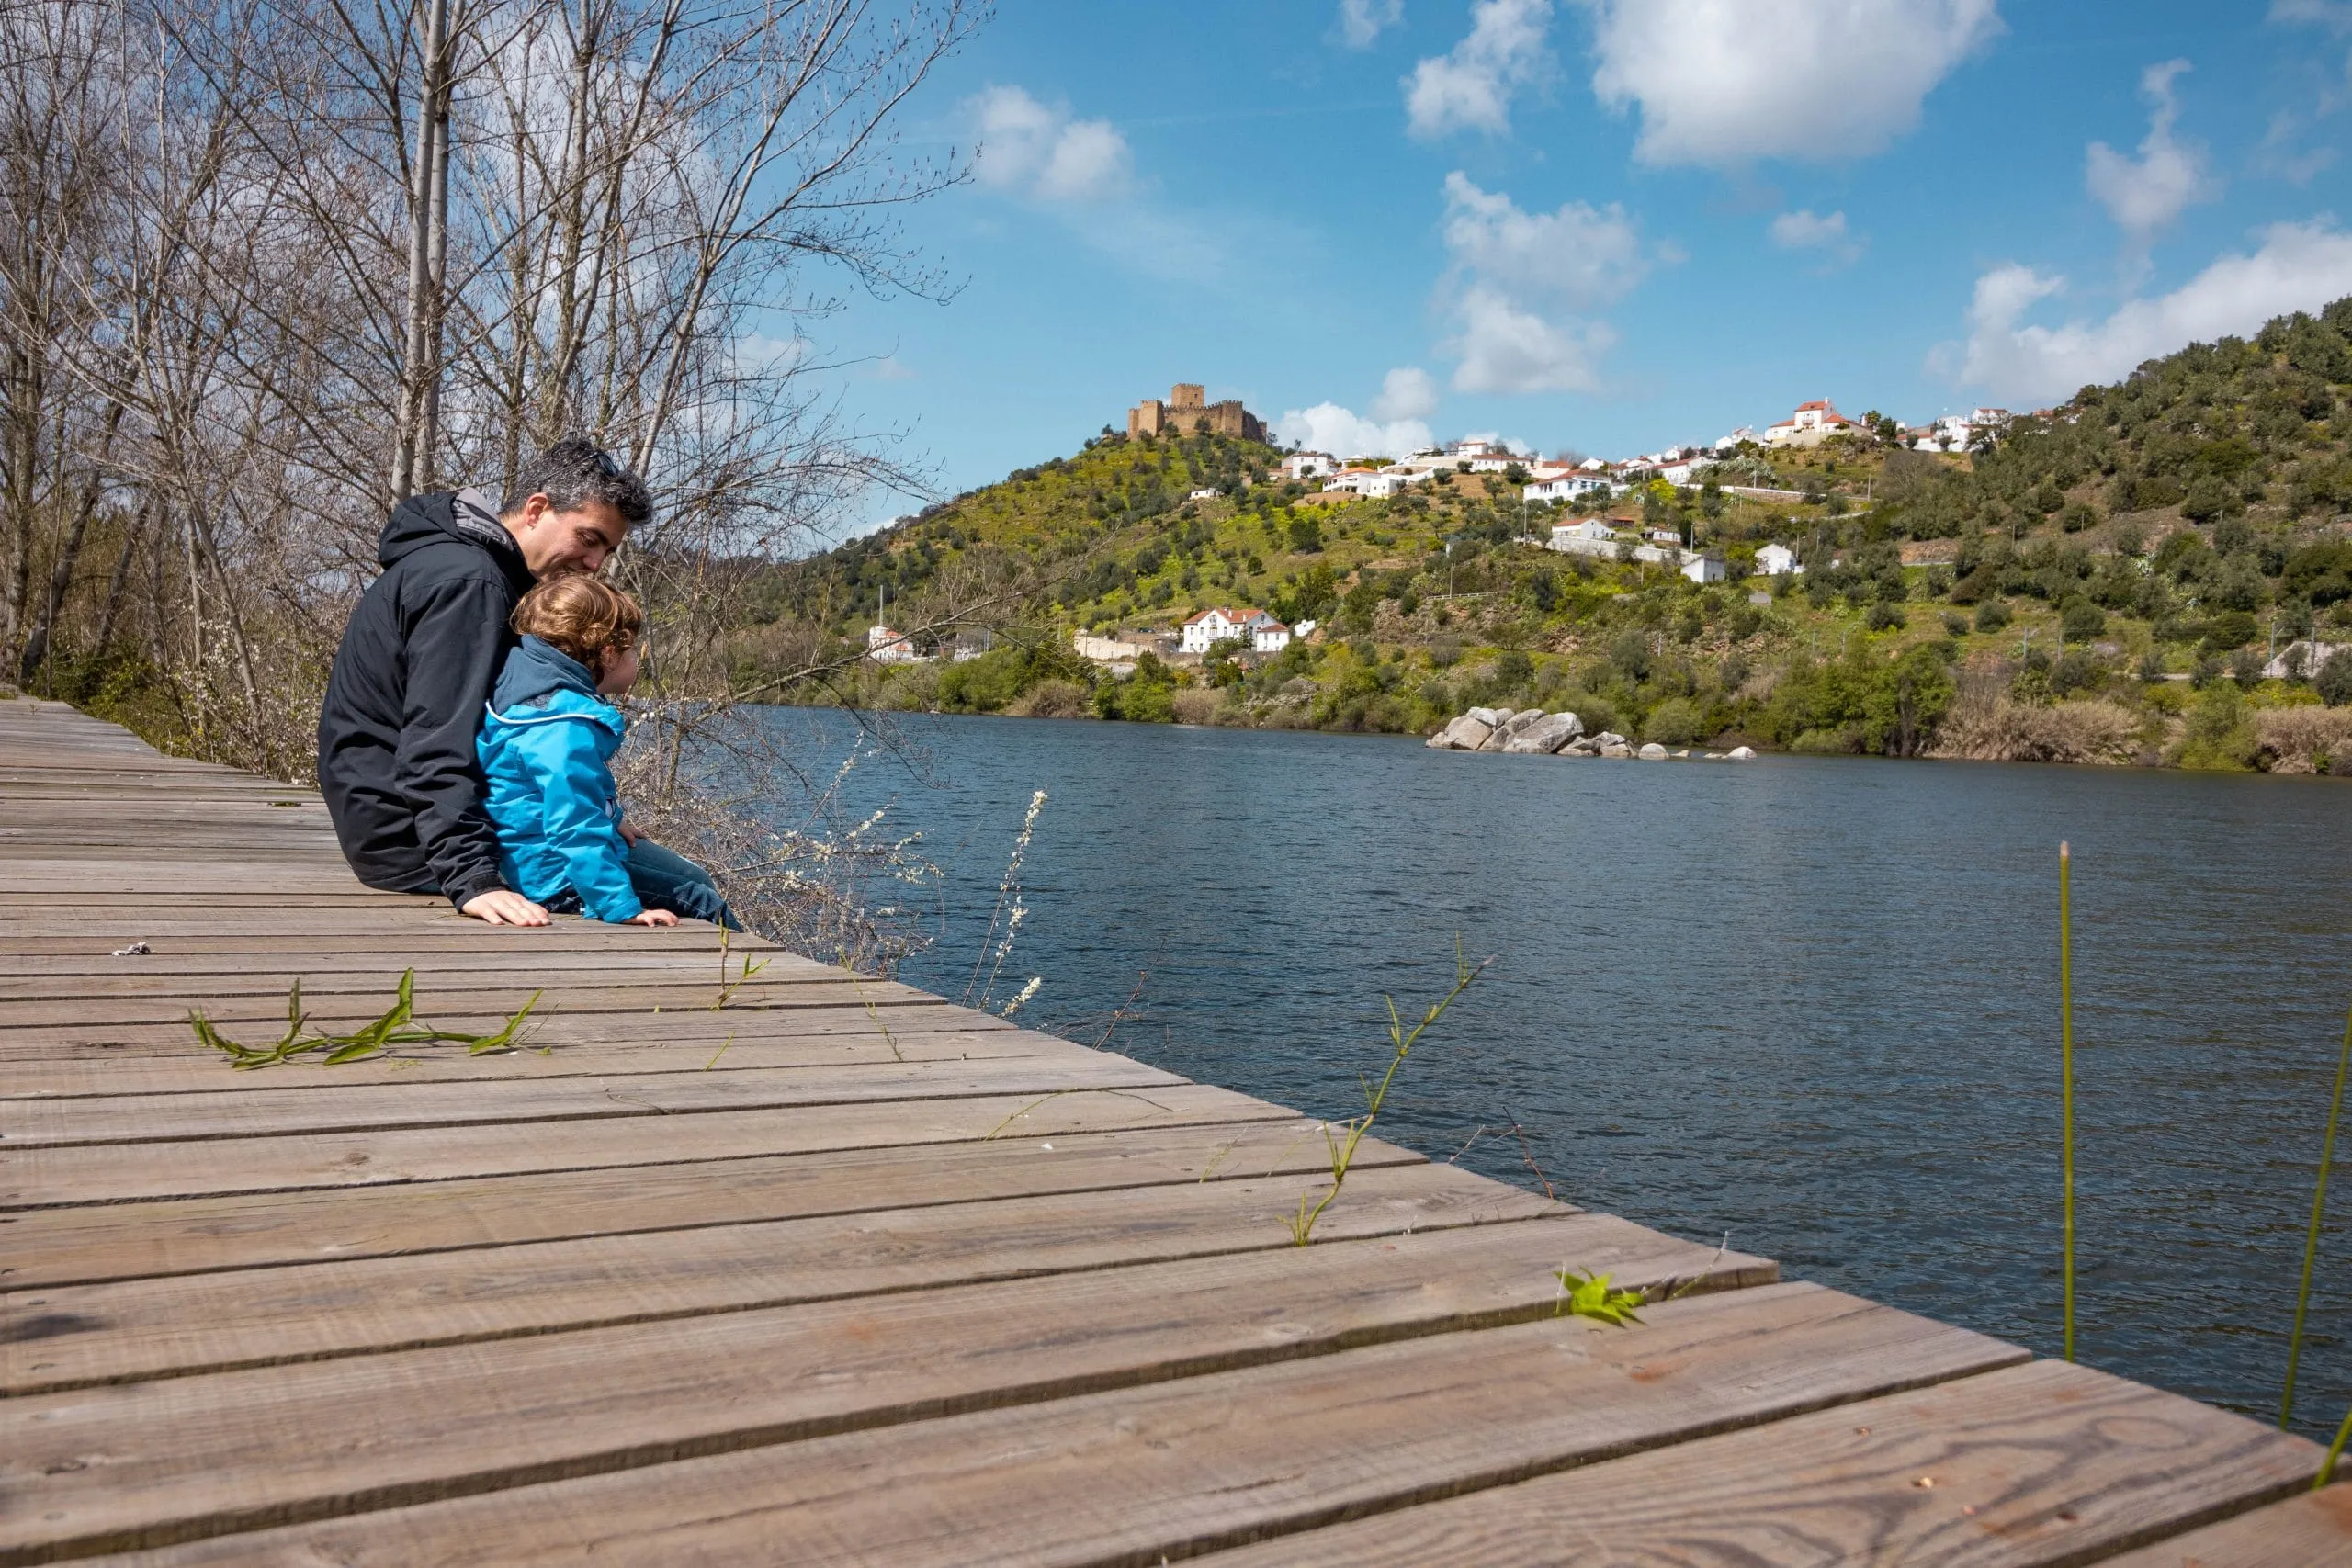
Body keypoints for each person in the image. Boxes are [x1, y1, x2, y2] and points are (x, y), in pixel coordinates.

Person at [315, 438, 652, 925]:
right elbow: (437, 742)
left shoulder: (472, 569)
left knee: (626, 855)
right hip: (412, 843)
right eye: (589, 538)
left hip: (397, 827)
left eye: (607, 549)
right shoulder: (469, 585)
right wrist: (472, 877)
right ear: (537, 509)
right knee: (693, 889)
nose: (595, 563)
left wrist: (601, 813)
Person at [476, 574, 737, 929]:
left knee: (695, 880)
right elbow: (574, 824)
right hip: (561, 880)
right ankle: (742, 981)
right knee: (701, 901)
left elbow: (547, 796)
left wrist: (611, 818)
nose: (635, 659)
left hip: (545, 860)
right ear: (609, 653)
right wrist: (620, 907)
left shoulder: (531, 697)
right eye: (631, 650)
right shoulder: (563, 724)